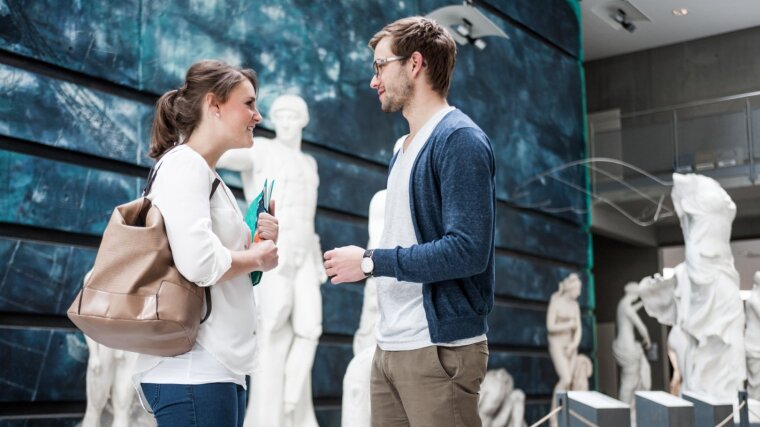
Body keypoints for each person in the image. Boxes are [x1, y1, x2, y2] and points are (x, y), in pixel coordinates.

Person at [323, 16, 496, 426]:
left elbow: (468, 250)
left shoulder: (459, 140)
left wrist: (369, 262)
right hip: (391, 348)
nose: (374, 80)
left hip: (438, 351)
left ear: (414, 64)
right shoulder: (403, 147)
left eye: (381, 66)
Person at [131, 60, 280, 427]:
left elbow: (217, 261)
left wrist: (257, 241)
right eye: (248, 103)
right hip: (193, 371)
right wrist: (257, 257)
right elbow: (199, 263)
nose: (257, 116)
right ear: (213, 105)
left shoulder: (205, 173)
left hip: (213, 369)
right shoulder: (186, 166)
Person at [217, 94, 324, 427]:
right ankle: (269, 417)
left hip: (305, 253)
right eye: (282, 115)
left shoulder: (309, 164)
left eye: (295, 115)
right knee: (272, 329)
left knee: (311, 327)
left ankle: (291, 400)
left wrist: (316, 256)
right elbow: (220, 152)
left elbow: (309, 216)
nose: (288, 122)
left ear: (304, 120)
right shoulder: (262, 149)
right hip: (273, 252)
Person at [612, 282, 651, 404]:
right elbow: (641, 326)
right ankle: (626, 409)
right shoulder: (626, 307)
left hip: (622, 343)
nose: (637, 298)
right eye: (637, 296)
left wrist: (643, 303)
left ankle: (628, 408)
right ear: (634, 294)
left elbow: (631, 309)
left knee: (629, 379)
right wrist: (647, 339)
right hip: (627, 347)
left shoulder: (623, 304)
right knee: (629, 381)